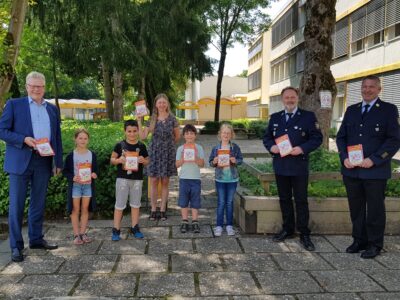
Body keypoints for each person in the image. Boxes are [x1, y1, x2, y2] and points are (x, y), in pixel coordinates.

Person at [0, 71, 63, 262]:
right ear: (27, 86)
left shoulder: (52, 109)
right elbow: (2, 130)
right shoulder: (14, 104)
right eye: (33, 86)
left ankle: (36, 239)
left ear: (44, 87)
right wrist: (22, 139)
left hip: (43, 161)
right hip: (20, 161)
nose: (36, 89)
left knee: (38, 203)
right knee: (17, 206)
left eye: (40, 86)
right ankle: (16, 247)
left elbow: (57, 137)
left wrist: (58, 161)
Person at [336, 75, 400, 259]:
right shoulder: (351, 110)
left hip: (375, 170)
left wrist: (375, 159)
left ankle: (374, 244)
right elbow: (341, 138)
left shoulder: (388, 110)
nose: (367, 90)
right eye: (364, 87)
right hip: (352, 169)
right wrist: (344, 157)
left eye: (372, 87)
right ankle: (359, 240)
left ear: (379, 89)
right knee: (355, 208)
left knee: (375, 209)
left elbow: (394, 140)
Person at [263, 86, 322, 251]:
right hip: (281, 165)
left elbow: (317, 138)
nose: (289, 100)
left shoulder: (308, 117)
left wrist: (302, 148)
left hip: (299, 166)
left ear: (298, 98)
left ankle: (304, 233)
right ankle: (288, 229)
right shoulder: (275, 118)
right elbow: (267, 137)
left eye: (292, 97)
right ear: (282, 99)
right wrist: (272, 147)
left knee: (301, 200)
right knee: (284, 199)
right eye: (286, 97)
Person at [138, 93, 180, 221]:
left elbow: (177, 137)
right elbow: (143, 137)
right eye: (159, 102)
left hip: (168, 152)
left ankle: (162, 210)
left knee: (165, 181)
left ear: (167, 104)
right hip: (154, 152)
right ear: (156, 104)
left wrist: (167, 144)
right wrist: (139, 121)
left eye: (164, 102)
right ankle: (153, 209)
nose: (162, 104)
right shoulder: (152, 119)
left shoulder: (173, 119)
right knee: (154, 181)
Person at [110, 119, 149, 241]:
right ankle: (116, 229)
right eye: (129, 131)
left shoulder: (141, 146)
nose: (132, 134)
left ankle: (135, 227)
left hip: (137, 180)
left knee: (135, 204)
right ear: (125, 131)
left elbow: (148, 161)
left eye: (134, 131)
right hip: (122, 179)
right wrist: (118, 161)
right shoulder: (119, 145)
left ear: (138, 131)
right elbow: (112, 159)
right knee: (119, 205)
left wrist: (144, 160)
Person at [62, 128, 98, 245]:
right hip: (76, 186)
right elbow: (65, 171)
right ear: (75, 139)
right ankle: (76, 234)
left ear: (88, 140)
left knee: (85, 209)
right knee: (75, 209)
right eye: (80, 138)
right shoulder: (71, 156)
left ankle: (83, 233)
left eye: (85, 138)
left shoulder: (92, 155)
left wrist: (94, 174)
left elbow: (96, 171)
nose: (83, 140)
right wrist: (72, 177)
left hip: (88, 186)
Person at [209, 123, 243, 237]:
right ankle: (219, 225)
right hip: (220, 179)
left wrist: (235, 160)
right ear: (220, 134)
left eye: (228, 133)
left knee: (229, 203)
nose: (226, 135)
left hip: (232, 179)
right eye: (224, 133)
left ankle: (229, 225)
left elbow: (240, 160)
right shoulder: (216, 148)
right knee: (221, 202)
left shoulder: (235, 147)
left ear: (231, 135)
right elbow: (210, 162)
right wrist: (214, 161)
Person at [176, 124, 205, 233]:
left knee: (195, 201)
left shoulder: (199, 148)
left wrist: (196, 158)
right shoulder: (180, 149)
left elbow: (202, 164)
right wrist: (183, 159)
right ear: (184, 136)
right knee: (183, 201)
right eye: (187, 133)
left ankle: (195, 221)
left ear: (195, 135)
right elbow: (176, 165)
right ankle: (184, 221)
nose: (189, 135)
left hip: (195, 179)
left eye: (191, 133)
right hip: (184, 178)